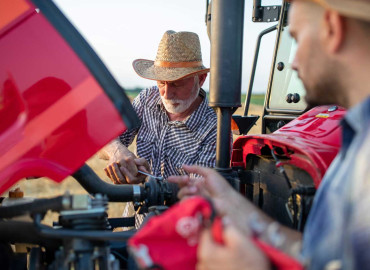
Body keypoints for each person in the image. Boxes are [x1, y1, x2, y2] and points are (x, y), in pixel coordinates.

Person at [169, 0, 370, 269]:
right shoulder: (357, 139)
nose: (294, 62)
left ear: (332, 28)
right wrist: (239, 209)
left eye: (296, 38)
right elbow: (321, 256)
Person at [99, 30, 217, 224]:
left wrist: (151, 184)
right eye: (162, 83)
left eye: (177, 84)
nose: (167, 93)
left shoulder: (214, 128)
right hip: (135, 221)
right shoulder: (147, 99)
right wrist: (117, 152)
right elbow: (106, 137)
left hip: (178, 231)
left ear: (201, 79)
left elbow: (199, 196)